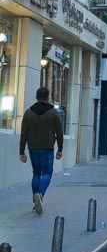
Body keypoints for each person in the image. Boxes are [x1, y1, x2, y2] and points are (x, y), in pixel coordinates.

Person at [19, 86, 63, 214]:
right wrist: (60, 149)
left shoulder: (28, 113)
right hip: (48, 148)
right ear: (48, 97)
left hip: (33, 148)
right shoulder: (53, 113)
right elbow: (59, 132)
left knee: (36, 173)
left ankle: (35, 202)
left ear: (36, 97)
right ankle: (40, 195)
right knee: (47, 173)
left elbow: (24, 134)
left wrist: (21, 152)